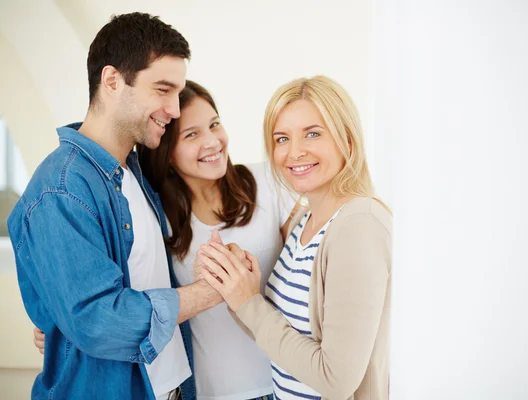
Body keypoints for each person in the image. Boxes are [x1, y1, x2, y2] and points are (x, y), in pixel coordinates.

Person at [8, 13, 222, 400]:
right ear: (111, 81)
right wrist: (213, 291)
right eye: (162, 89)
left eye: (178, 92)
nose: (174, 109)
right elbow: (99, 321)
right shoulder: (61, 190)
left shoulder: (134, 171)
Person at [197, 75, 392, 399]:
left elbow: (336, 379)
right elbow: (280, 338)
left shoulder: (359, 225)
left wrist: (249, 302)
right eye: (281, 139)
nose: (295, 152)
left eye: (312, 134)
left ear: (347, 139)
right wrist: (237, 289)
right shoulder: (305, 218)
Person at [138, 80, 296, 400]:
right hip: (213, 393)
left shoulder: (269, 182)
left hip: (290, 384)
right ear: (167, 153)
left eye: (214, 124)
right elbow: (129, 296)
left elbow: (311, 265)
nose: (212, 141)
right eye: (192, 134)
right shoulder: (157, 218)